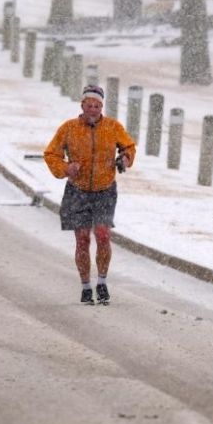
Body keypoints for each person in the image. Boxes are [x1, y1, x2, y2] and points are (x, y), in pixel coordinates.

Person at [44, 85, 136, 305]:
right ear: (82, 105)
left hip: (105, 190)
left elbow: (129, 147)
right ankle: (86, 286)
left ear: (101, 107)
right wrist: (66, 168)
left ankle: (102, 282)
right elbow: (51, 154)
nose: (93, 109)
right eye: (89, 105)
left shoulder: (113, 127)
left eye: (97, 105)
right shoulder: (69, 128)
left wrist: (124, 159)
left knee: (103, 236)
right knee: (82, 239)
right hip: (78, 191)